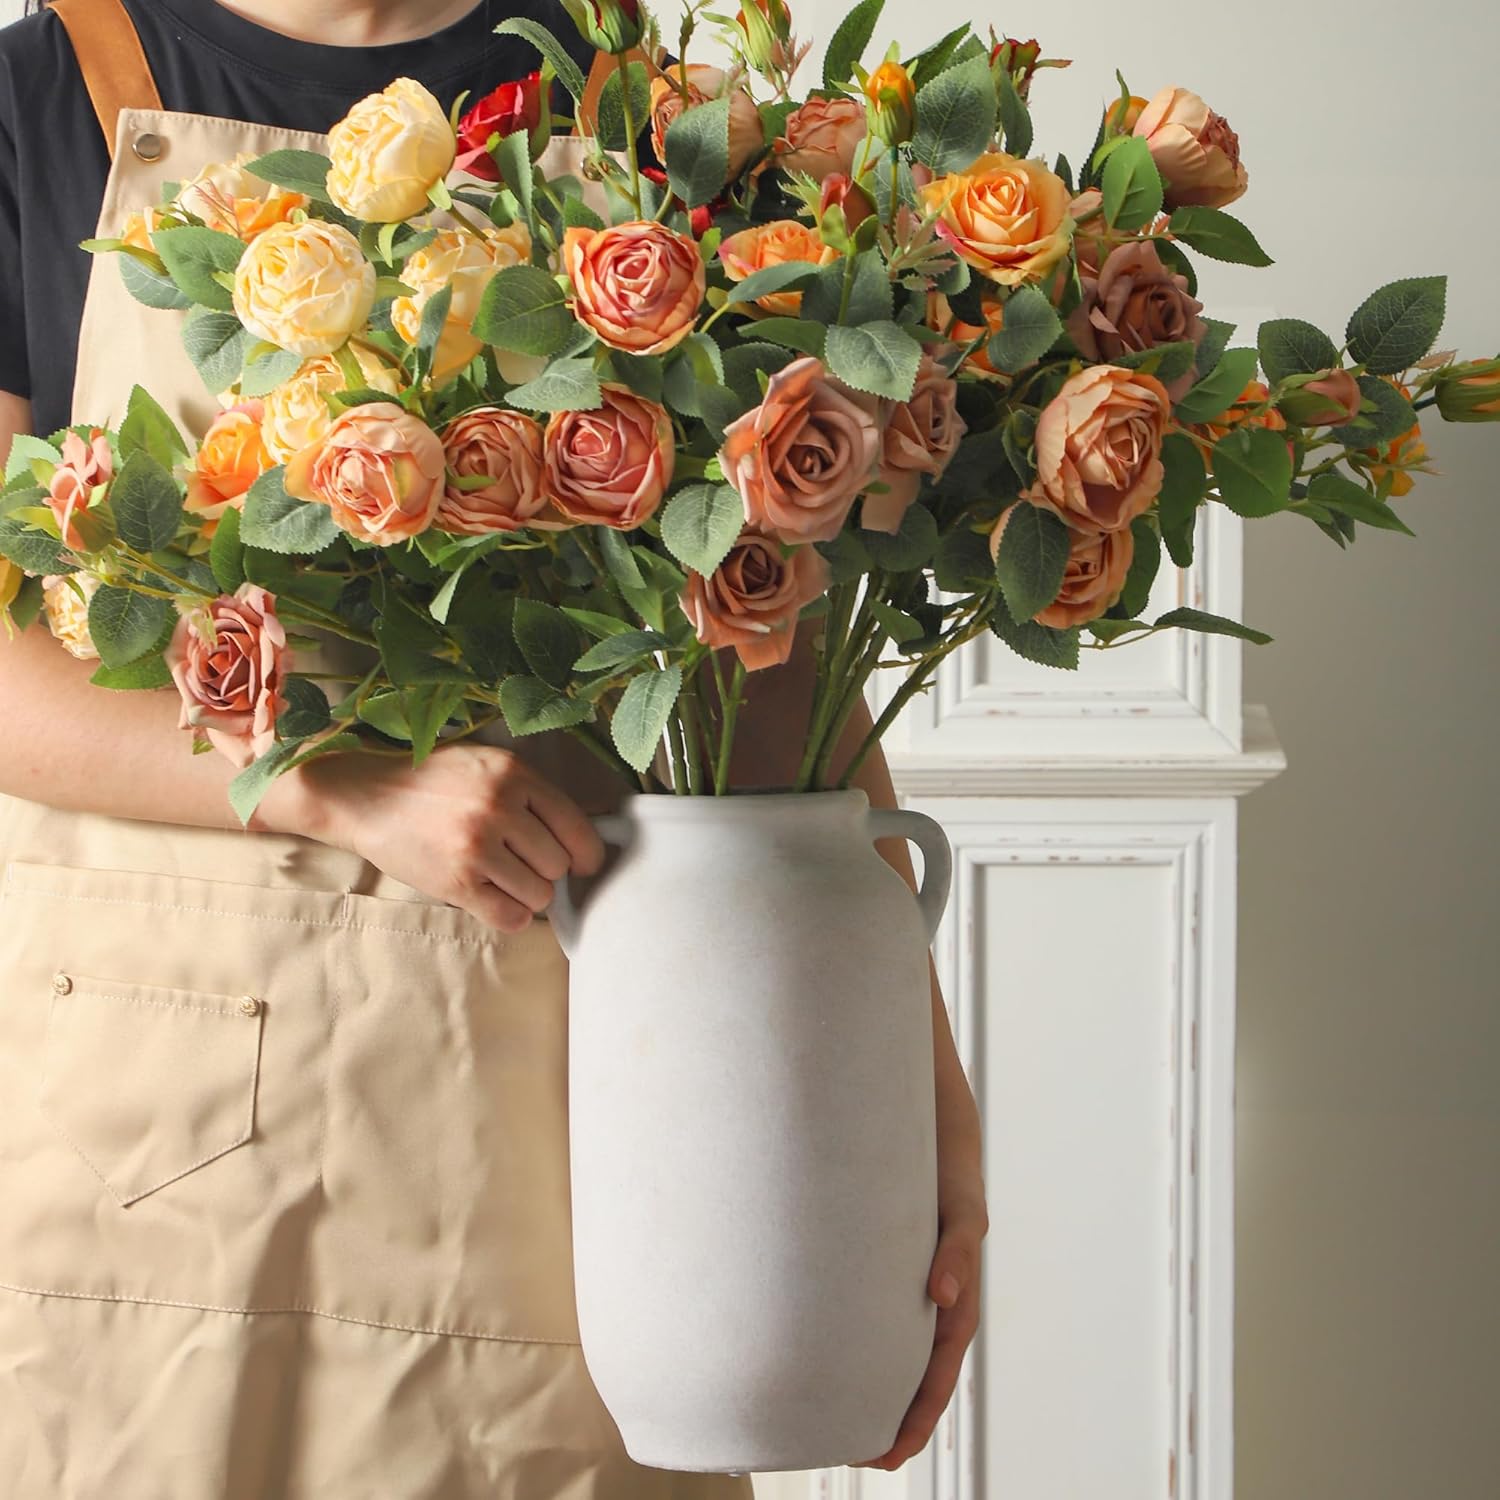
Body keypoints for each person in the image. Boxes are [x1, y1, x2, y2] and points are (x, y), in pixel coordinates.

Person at [0, 1, 987, 1494]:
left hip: (564, 1127)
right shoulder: (40, 100)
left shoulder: (637, 109)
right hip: (148, 1154)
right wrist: (342, 790)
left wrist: (926, 1098)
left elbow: (774, 670)